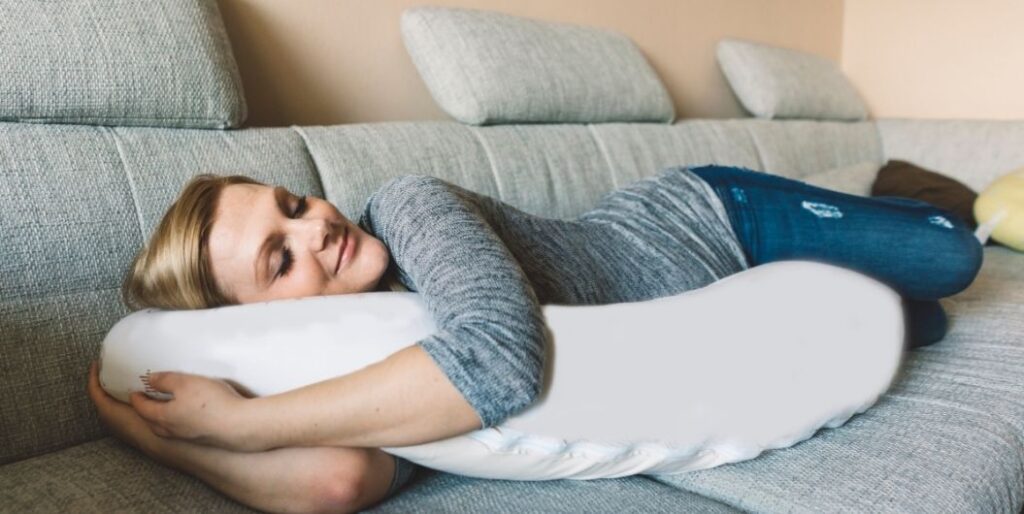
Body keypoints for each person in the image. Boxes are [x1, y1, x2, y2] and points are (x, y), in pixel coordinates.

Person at [87, 164, 984, 513]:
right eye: (280, 259)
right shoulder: (357, 362)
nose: (315, 226)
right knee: (922, 324)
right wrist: (154, 431)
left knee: (948, 258)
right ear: (263, 324)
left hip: (715, 221)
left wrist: (233, 425)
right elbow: (333, 481)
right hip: (755, 310)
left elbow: (502, 364)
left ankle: (893, 186)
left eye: (292, 205)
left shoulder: (405, 206)